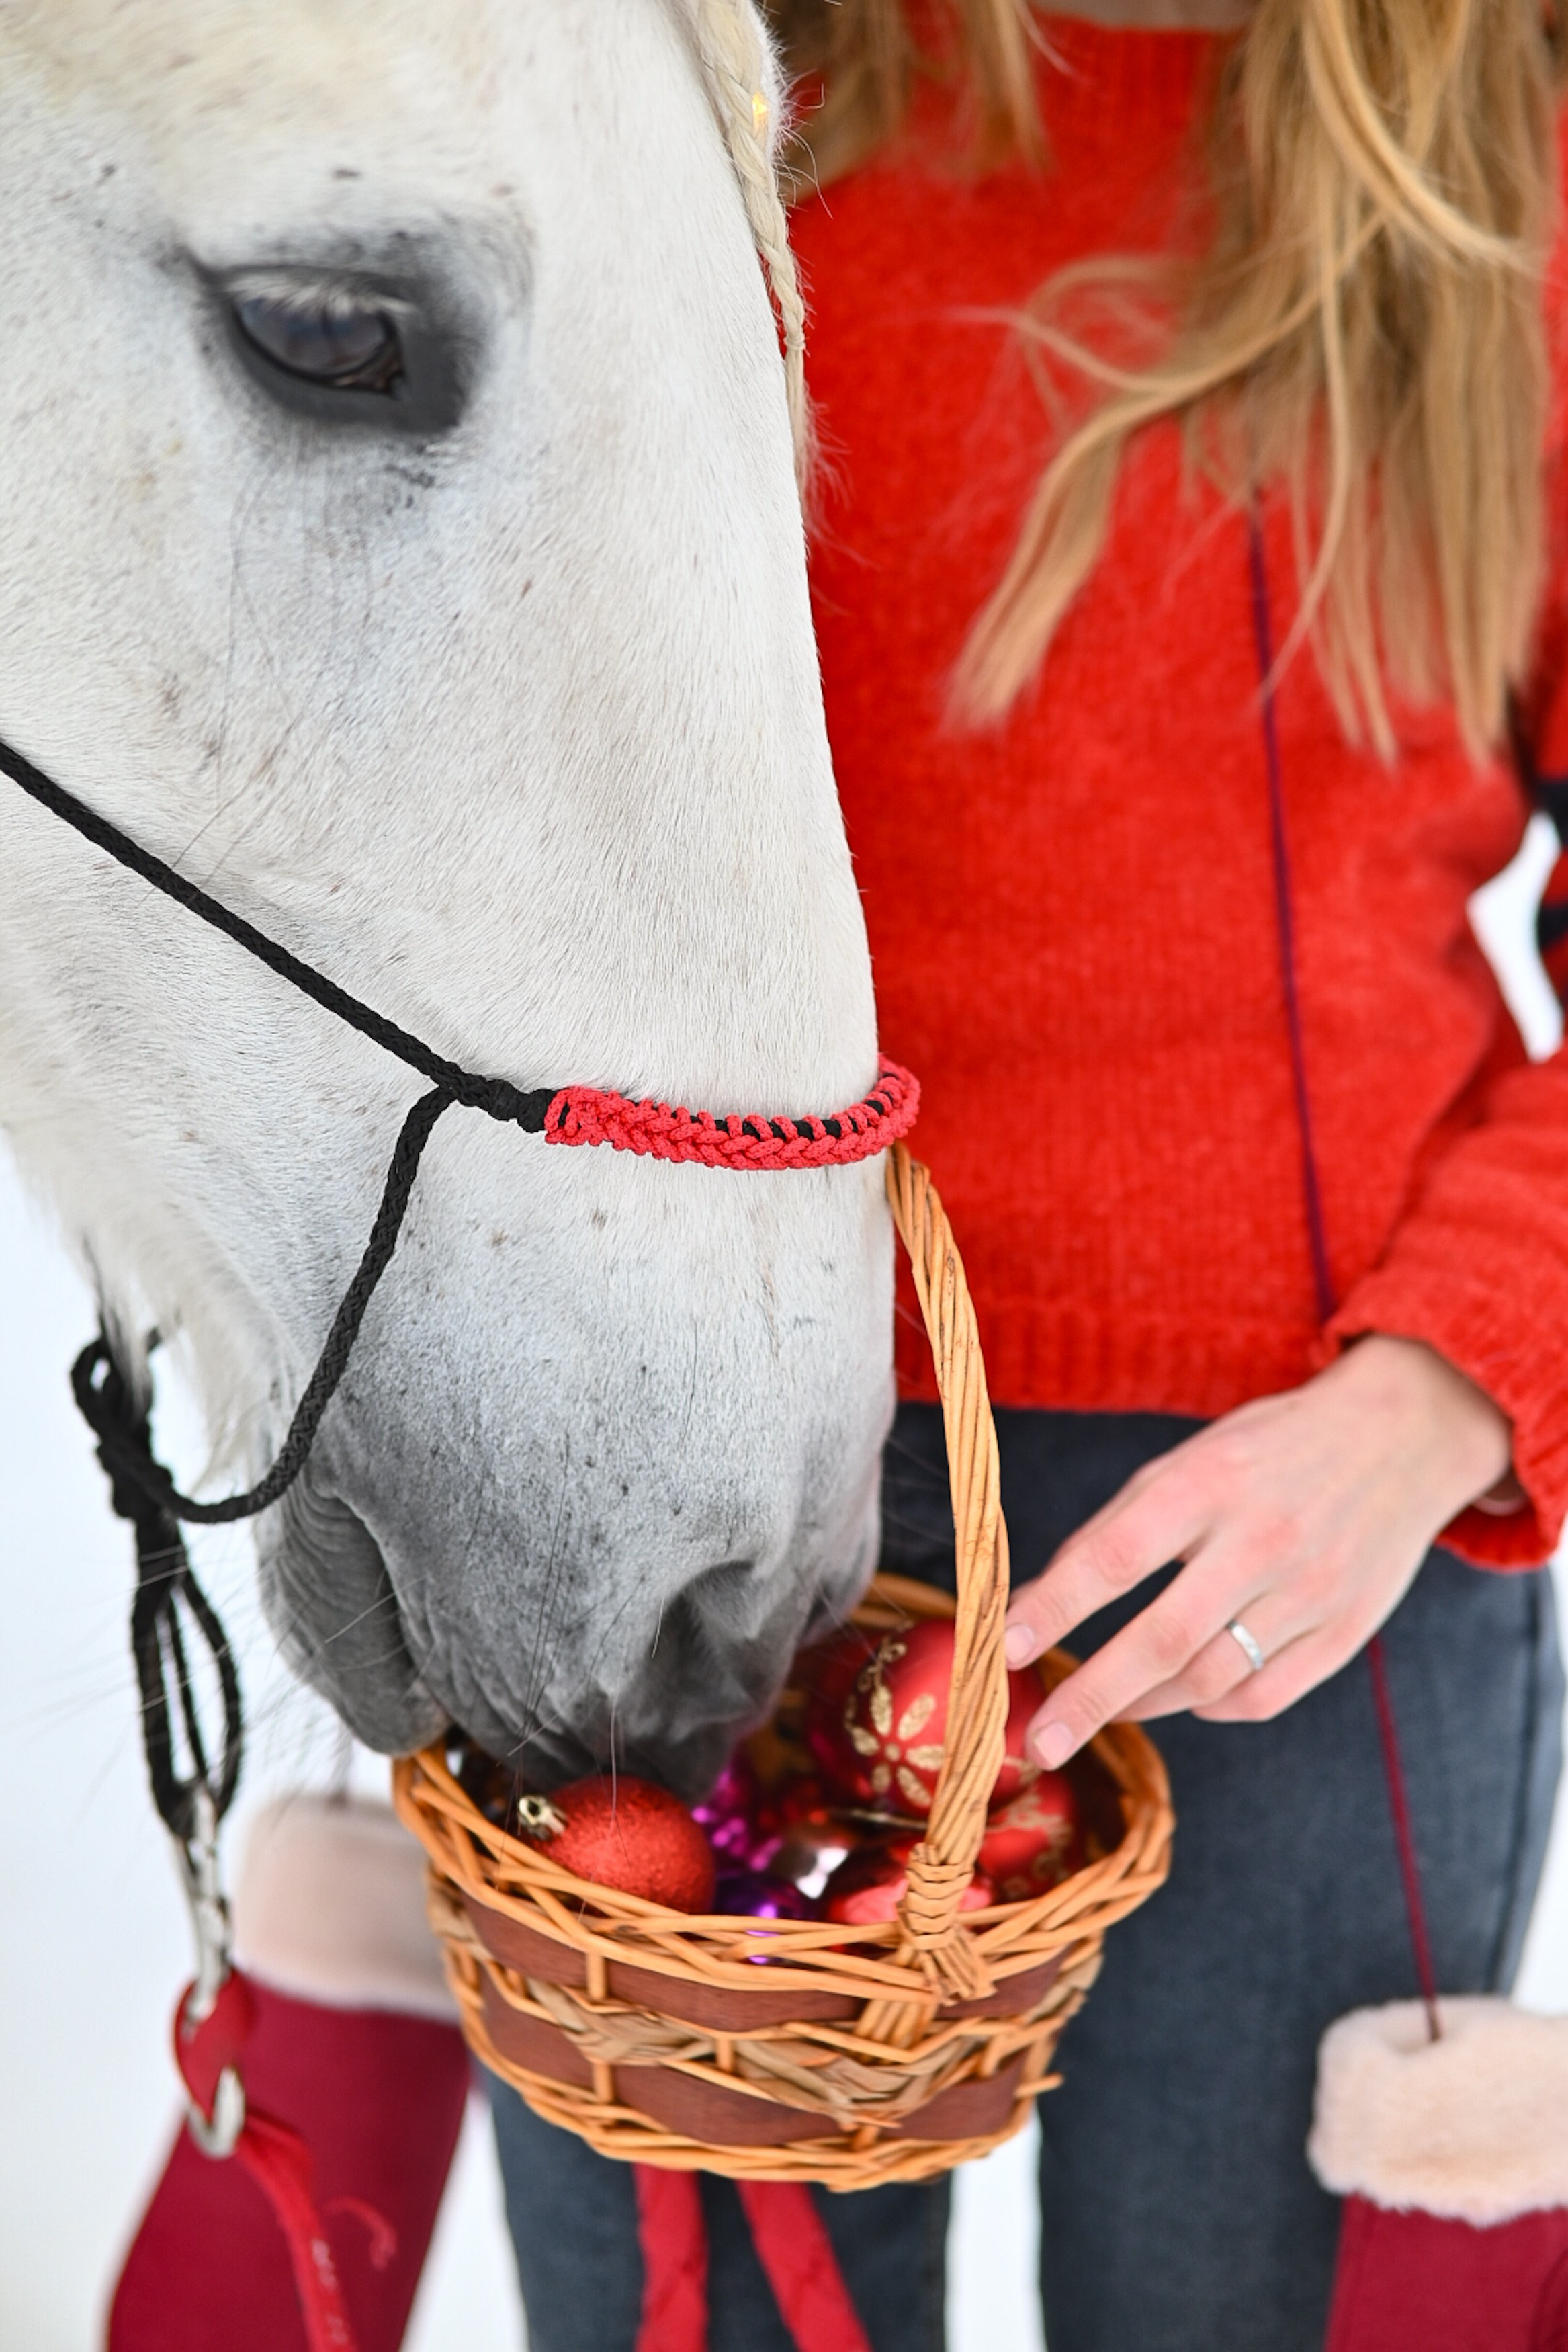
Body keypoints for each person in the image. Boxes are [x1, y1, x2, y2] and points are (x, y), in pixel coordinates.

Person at [488, 1, 1568, 2343]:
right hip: (682, 1518)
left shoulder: (1519, 176)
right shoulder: (651, 84)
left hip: (1317, 1558)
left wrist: (1444, 1391)